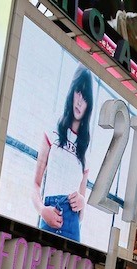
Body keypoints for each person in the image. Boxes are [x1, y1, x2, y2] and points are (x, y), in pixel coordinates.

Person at [32, 66, 92, 244]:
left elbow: (81, 211)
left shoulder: (86, 148)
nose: (80, 101)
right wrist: (42, 210)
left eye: (85, 97)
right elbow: (35, 184)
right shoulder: (53, 128)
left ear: (89, 105)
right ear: (72, 92)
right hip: (50, 213)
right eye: (78, 92)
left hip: (73, 224)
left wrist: (82, 203)